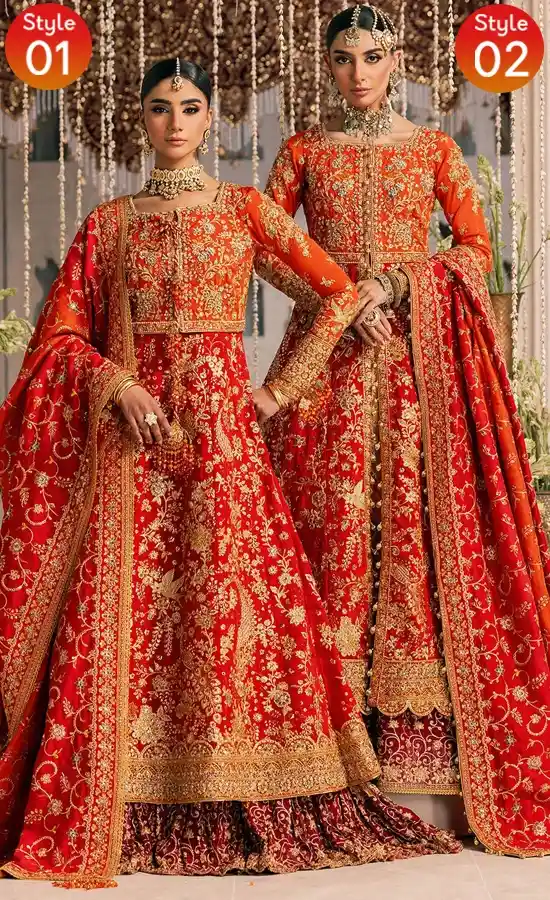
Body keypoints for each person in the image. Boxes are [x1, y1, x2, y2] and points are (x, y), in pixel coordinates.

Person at [0, 58, 460, 887]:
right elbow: (59, 339)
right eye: (159, 107)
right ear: (141, 120)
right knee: (135, 611)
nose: (175, 122)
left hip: (225, 443)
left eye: (190, 107)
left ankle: (241, 792)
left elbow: (337, 294)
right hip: (135, 445)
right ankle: (124, 803)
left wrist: (278, 393)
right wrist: (117, 383)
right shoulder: (108, 225)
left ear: (210, 117)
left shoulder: (244, 209)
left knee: (230, 602)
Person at [257, 4, 550, 857]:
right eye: (342, 58)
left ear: (397, 63)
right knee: (320, 526)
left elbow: (474, 250)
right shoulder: (302, 151)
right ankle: (323, 743)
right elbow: (265, 247)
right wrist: (343, 301)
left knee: (416, 530)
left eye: (372, 57)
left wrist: (396, 284)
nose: (357, 73)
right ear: (326, 66)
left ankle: (422, 760)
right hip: (324, 363)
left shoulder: (434, 150)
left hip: (414, 364)